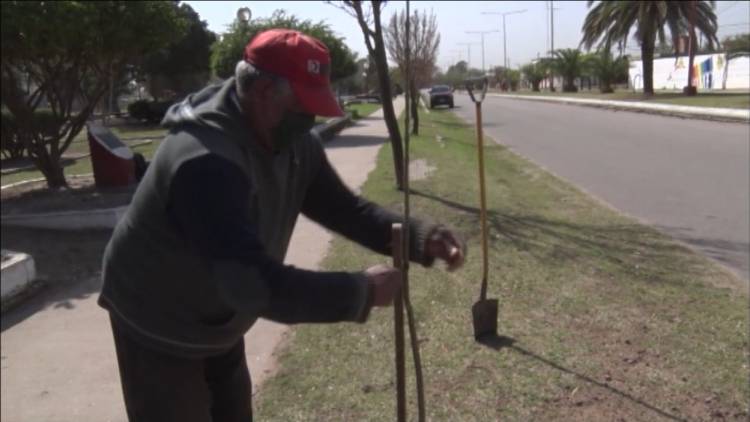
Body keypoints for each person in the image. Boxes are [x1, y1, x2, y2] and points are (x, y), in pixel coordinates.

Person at [98, 29, 465, 422]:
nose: (309, 119)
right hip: (157, 320)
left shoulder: (289, 138)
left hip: (219, 315)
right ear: (262, 92)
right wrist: (361, 291)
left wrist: (418, 238)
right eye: (302, 106)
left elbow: (344, 208)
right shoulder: (205, 161)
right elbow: (253, 285)